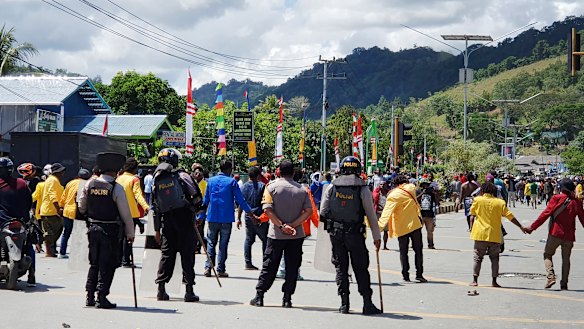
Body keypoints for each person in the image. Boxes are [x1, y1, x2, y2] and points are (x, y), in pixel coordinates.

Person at [320, 156, 382, 315]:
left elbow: (323, 212)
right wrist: (377, 237)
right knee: (361, 268)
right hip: (355, 235)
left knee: (341, 268)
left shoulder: (332, 187)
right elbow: (371, 214)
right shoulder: (362, 188)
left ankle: (344, 304)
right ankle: (367, 303)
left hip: (337, 235)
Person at [250, 160, 311, 309]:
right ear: (293, 172)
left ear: (279, 171)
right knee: (292, 266)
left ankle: (260, 295)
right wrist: (293, 225)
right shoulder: (302, 190)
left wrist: (282, 225)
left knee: (269, 265)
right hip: (296, 235)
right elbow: (309, 211)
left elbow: (267, 210)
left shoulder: (271, 188)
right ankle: (287, 298)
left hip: (276, 234)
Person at [78, 153, 135, 309]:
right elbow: (125, 213)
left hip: (93, 229)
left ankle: (89, 296)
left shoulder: (89, 185)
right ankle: (101, 297)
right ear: (116, 171)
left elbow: (81, 206)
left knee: (94, 263)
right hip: (110, 231)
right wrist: (130, 233)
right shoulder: (116, 188)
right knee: (107, 264)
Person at [152, 148, 203, 302]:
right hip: (185, 221)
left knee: (167, 255)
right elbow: (197, 197)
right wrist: (196, 210)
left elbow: (155, 207)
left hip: (167, 223)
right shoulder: (182, 175)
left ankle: (161, 289)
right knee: (187, 255)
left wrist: (156, 230)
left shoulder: (157, 180)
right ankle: (189, 291)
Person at [526, 178, 584, 290]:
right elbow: (583, 219)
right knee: (566, 259)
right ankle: (564, 283)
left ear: (562, 188)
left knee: (547, 254)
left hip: (555, 233)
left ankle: (551, 276)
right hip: (569, 236)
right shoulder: (577, 202)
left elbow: (545, 214)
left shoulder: (556, 198)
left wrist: (532, 228)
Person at [202, 160, 256, 278]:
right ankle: (220, 269)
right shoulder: (232, 182)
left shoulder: (210, 181)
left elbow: (205, 201)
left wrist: (200, 216)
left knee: (211, 243)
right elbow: (240, 200)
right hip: (226, 218)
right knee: (223, 244)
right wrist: (250, 213)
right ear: (229, 169)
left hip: (212, 217)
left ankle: (208, 267)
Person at [469, 182, 527, 288]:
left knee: (478, 257)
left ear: (482, 191)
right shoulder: (500, 202)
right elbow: (510, 216)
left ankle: (475, 280)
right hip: (495, 235)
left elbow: (472, 215)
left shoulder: (477, 200)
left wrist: (471, 228)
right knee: (495, 258)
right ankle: (494, 281)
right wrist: (521, 226)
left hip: (480, 234)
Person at [378, 175, 427, 283]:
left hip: (401, 227)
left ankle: (405, 275)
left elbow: (386, 213)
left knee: (403, 251)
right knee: (418, 251)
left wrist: (378, 228)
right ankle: (419, 274)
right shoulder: (412, 188)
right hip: (415, 224)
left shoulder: (393, 195)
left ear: (395, 184)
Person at [116, 158, 149, 267]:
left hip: (118, 212)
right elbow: (138, 195)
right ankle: (126, 260)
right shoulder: (134, 180)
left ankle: (119, 259)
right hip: (130, 213)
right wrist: (146, 207)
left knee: (120, 237)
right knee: (129, 237)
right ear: (134, 168)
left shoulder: (119, 178)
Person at [237, 166, 268, 270]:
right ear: (259, 175)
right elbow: (265, 202)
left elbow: (241, 204)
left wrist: (238, 218)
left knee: (249, 240)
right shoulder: (262, 186)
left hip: (248, 216)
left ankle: (248, 263)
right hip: (260, 217)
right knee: (265, 240)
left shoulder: (243, 187)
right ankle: (265, 262)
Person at [57, 168, 90, 259]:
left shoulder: (70, 183)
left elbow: (63, 198)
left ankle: (62, 252)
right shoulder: (86, 184)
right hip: (78, 212)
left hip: (67, 211)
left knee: (66, 233)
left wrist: (61, 207)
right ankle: (77, 254)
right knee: (79, 234)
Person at [40, 162, 66, 257]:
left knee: (57, 231)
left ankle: (51, 250)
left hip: (53, 211)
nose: (62, 174)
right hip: (49, 211)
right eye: (61, 172)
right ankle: (49, 251)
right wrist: (58, 208)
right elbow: (52, 194)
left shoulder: (54, 180)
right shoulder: (52, 180)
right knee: (50, 234)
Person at [191, 163, 207, 254]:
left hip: (201, 211)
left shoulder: (204, 184)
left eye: (199, 171)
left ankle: (198, 246)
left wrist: (201, 214)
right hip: (193, 210)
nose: (197, 174)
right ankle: (202, 243)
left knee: (199, 229)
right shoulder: (192, 183)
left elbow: (205, 200)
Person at [418, 178, 437, 249]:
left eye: (427, 185)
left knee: (430, 231)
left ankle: (431, 244)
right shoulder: (419, 192)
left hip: (429, 215)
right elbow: (416, 200)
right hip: (421, 214)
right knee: (418, 231)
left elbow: (437, 202)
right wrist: (422, 193)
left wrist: (435, 193)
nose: (425, 187)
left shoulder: (431, 193)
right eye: (424, 185)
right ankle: (418, 244)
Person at [372, 180, 390, 250]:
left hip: (385, 214)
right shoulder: (377, 193)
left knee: (386, 231)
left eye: (383, 185)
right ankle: (377, 245)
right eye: (381, 185)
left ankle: (385, 245)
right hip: (378, 213)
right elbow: (373, 198)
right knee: (377, 231)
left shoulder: (388, 193)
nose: (382, 186)